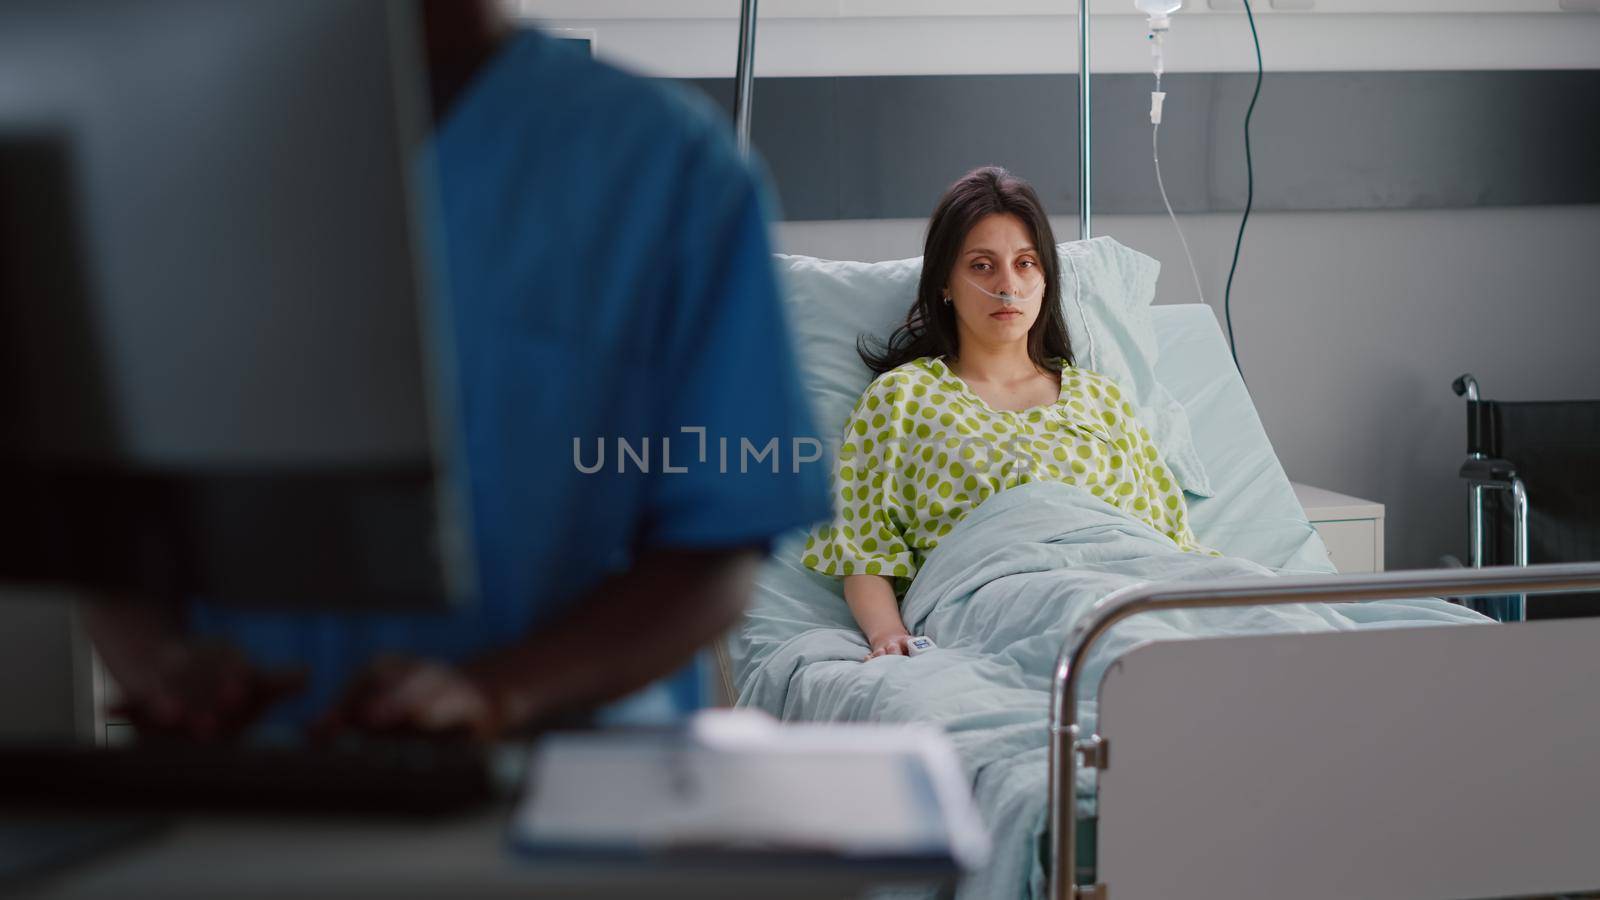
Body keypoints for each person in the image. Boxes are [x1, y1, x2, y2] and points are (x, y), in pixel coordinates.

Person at [88, 0, 830, 740]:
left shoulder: (671, 172)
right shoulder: (156, 153)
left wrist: (498, 692)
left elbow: (718, 548)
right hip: (245, 779)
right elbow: (101, 512)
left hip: (560, 790)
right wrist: (164, 665)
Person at [800, 167, 1208, 660]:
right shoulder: (901, 398)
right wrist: (888, 635)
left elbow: (1168, 541)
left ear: (1045, 279)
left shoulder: (1103, 400)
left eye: (1025, 263)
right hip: (1000, 599)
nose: (1008, 286)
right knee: (1122, 644)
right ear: (945, 283)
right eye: (981, 266)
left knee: (1271, 612)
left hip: (1132, 585)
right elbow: (863, 550)